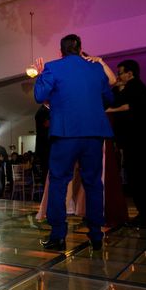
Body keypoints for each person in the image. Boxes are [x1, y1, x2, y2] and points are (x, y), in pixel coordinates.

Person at [33, 34, 113, 251]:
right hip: (94, 133)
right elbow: (110, 98)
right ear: (80, 49)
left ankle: (58, 235)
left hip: (66, 133)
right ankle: (96, 235)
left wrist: (41, 76)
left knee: (59, 182)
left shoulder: (52, 67)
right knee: (93, 183)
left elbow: (40, 96)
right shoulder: (96, 69)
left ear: (61, 51)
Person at [108, 59, 146, 228]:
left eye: (120, 72)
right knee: (138, 179)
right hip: (136, 142)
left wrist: (108, 110)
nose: (118, 76)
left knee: (143, 179)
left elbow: (124, 106)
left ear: (130, 73)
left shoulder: (136, 87)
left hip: (142, 142)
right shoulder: (128, 88)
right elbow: (116, 101)